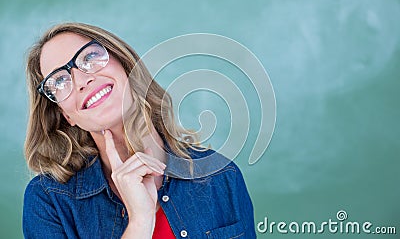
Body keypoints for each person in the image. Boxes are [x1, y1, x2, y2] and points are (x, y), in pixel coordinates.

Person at [23, 22, 256, 238]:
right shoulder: (48, 200)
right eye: (60, 81)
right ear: (67, 115)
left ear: (125, 66)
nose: (81, 80)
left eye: (90, 57)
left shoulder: (222, 176)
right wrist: (139, 221)